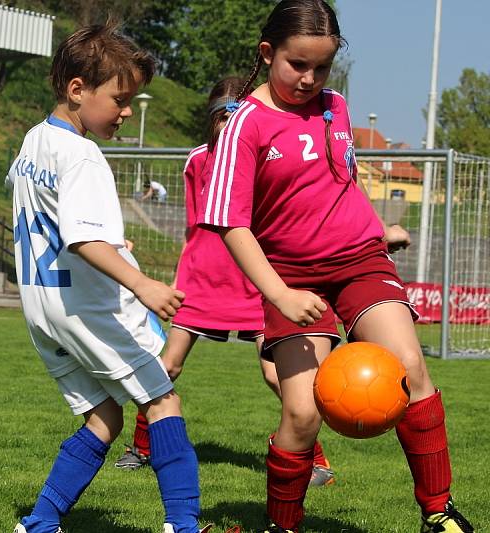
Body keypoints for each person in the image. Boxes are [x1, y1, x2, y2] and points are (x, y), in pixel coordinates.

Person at [200, 2, 474, 532]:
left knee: (412, 371)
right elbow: (232, 226)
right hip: (291, 279)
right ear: (267, 53)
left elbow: (339, 184)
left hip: (358, 262)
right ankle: (283, 525)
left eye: (320, 68)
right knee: (302, 413)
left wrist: (378, 229)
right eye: (296, 64)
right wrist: (279, 296)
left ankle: (439, 514)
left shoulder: (337, 107)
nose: (308, 79)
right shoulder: (243, 125)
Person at [8, 23, 210, 533]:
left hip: (42, 308)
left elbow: (48, 218)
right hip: (92, 304)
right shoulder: (83, 155)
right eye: (120, 99)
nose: (125, 111)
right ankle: (183, 525)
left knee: (104, 417)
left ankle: (41, 522)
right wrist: (141, 283)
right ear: (77, 90)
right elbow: (82, 238)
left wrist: (115, 247)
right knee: (162, 399)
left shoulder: (35, 141)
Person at [115, 77, 335, 488]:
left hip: (254, 283)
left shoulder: (263, 153)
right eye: (222, 116)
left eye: (236, 116)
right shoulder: (198, 159)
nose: (229, 124)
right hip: (202, 282)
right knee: (168, 365)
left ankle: (313, 457)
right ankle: (142, 446)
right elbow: (199, 224)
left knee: (276, 375)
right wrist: (185, 274)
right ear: (213, 119)